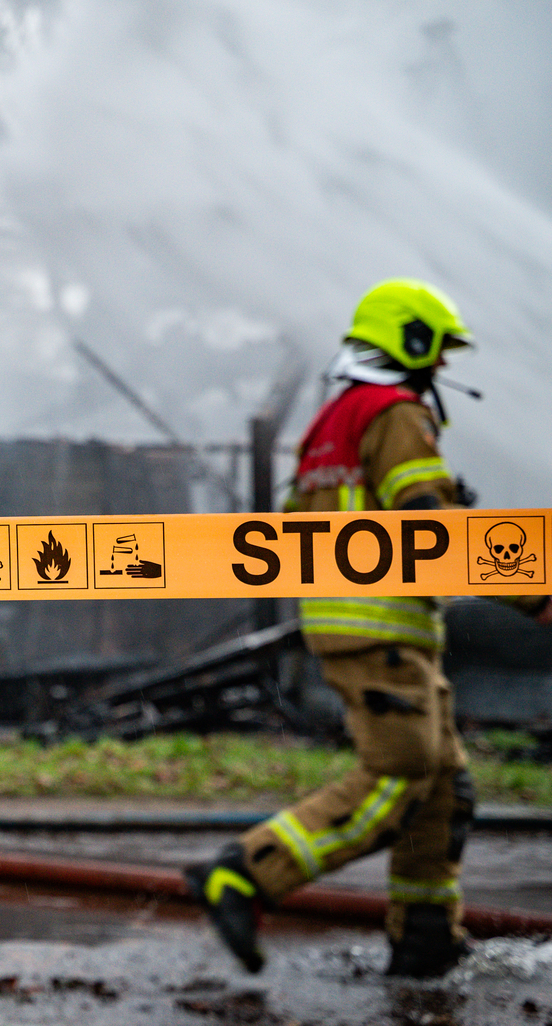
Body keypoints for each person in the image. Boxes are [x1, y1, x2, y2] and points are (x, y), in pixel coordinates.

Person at [185, 279, 552, 978]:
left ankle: (425, 939)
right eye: (437, 351)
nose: (441, 368)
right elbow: (432, 529)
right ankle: (244, 873)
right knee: (401, 775)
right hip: (383, 628)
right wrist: (533, 595)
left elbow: (299, 525)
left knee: (445, 787)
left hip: (352, 625)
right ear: (408, 342)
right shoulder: (396, 413)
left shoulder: (333, 422)